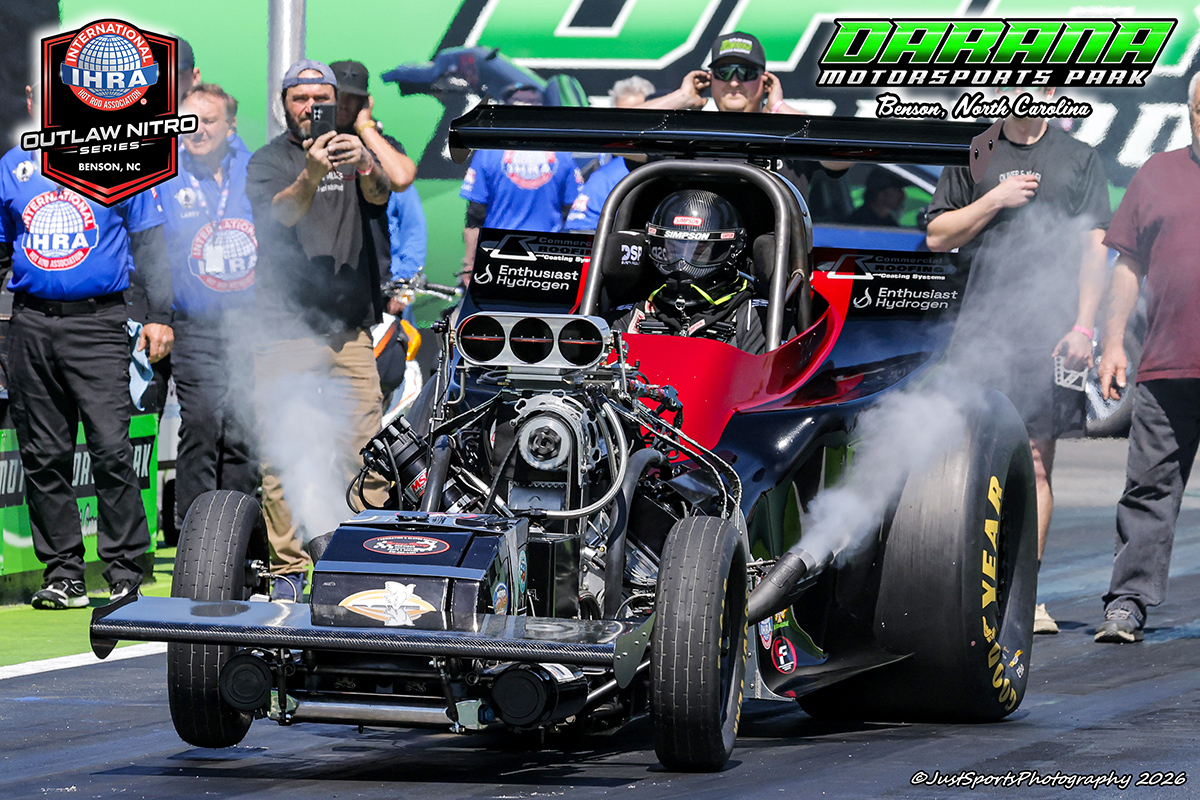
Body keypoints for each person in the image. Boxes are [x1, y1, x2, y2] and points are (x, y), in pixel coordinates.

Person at [925, 88, 1111, 635]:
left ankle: (1024, 595)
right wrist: (992, 201)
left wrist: (1083, 325)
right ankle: (965, 591)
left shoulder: (1079, 157)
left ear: (1054, 92)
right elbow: (937, 235)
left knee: (1034, 463)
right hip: (979, 333)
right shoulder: (974, 151)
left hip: (1048, 336)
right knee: (964, 462)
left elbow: (1095, 245)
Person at [0, 87, 173, 608]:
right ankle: (64, 574)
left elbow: (152, 247)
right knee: (42, 454)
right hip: (29, 321)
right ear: (31, 99)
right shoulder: (12, 164)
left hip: (98, 322)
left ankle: (124, 570)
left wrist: (160, 317)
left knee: (110, 448)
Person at [246, 59, 391, 601]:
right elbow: (280, 216)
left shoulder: (357, 152)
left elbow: (382, 195)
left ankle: (361, 561)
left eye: (321, 99)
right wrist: (311, 171)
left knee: (368, 453)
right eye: (301, 98)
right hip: (284, 331)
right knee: (282, 458)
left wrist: (366, 163)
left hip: (349, 332)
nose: (311, 108)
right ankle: (287, 572)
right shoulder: (268, 161)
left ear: (339, 103)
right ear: (285, 103)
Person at [1092, 74, 1200, 643]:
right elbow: (1127, 267)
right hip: (1166, 365)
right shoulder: (1157, 172)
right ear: (1190, 112)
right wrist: (1112, 344)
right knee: (1149, 489)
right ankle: (1127, 603)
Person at [154, 83, 259, 530]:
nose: (196, 131)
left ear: (231, 126)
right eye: (188, 122)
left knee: (242, 432)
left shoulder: (254, 168)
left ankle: (237, 537)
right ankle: (195, 542)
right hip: (193, 323)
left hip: (250, 323)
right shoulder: (164, 173)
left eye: (209, 121)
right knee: (199, 425)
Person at [638, 31, 850, 197]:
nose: (734, 82)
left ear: (765, 80)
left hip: (773, 249)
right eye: (724, 72)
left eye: (746, 72)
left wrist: (778, 107)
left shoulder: (790, 134)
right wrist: (682, 97)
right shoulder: (686, 134)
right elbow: (617, 135)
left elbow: (844, 156)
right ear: (710, 78)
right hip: (695, 248)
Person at [612, 189, 766, 354]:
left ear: (727, 251)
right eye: (674, 249)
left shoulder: (756, 318)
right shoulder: (628, 317)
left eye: (697, 252)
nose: (681, 265)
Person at [459, 84, 583, 280]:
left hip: (499, 255)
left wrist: (469, 263)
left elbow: (475, 215)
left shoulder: (488, 151)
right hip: (545, 257)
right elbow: (573, 211)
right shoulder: (562, 152)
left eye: (531, 103)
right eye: (521, 103)